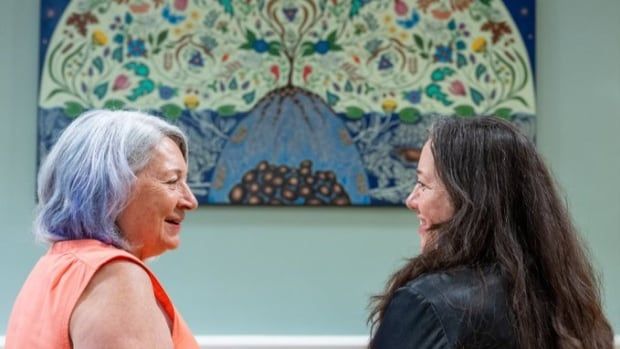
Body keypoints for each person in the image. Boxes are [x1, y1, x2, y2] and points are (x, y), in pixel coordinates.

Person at [368, 117, 613, 348]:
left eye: (423, 184)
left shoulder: (424, 303)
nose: (411, 200)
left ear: (469, 199)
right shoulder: (567, 300)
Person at [6, 110, 200, 348]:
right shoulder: (116, 277)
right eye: (172, 181)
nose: (190, 201)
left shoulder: (53, 268)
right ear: (113, 189)